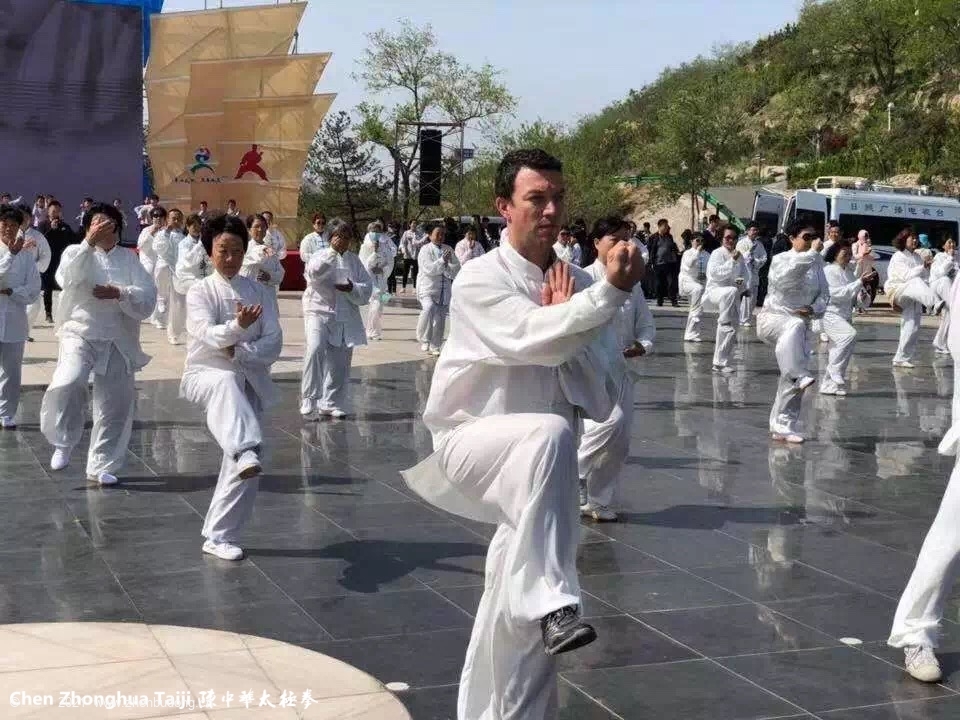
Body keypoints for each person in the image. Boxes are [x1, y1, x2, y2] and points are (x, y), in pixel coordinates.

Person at [400, 149, 644, 720]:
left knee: (514, 615)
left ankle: (500, 707)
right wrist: (595, 304)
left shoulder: (576, 282)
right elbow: (530, 337)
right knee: (549, 433)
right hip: (473, 448)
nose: (551, 210)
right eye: (536, 198)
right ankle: (555, 601)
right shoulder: (481, 278)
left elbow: (603, 394)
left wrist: (572, 320)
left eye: (558, 197)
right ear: (504, 207)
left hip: (543, 478)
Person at [181, 213, 282, 561]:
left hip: (249, 378)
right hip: (206, 375)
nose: (230, 258)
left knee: (246, 463)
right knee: (226, 383)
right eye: (223, 250)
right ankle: (243, 449)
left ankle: (219, 535)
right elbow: (206, 335)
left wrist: (239, 351)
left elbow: (273, 341)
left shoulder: (259, 292)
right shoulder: (200, 291)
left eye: (237, 251)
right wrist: (237, 327)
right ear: (210, 252)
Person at [40, 203, 157, 485]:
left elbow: (147, 296)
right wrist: (88, 244)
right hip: (79, 331)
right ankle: (64, 440)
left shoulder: (129, 258)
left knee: (114, 405)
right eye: (96, 223)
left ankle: (101, 464)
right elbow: (65, 279)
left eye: (107, 223)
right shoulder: (75, 251)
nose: (102, 227)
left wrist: (120, 292)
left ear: (117, 227)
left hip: (117, 337)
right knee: (68, 380)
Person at [578, 216, 655, 522]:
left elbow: (646, 324)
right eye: (614, 239)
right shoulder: (582, 279)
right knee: (610, 423)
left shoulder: (632, 284)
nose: (623, 245)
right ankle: (573, 472)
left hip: (624, 369)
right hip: (591, 369)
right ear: (597, 243)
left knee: (620, 443)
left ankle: (598, 500)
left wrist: (642, 345)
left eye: (627, 239)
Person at [756, 221, 829, 442]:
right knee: (797, 366)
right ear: (792, 238)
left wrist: (813, 308)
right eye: (806, 237)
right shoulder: (781, 259)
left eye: (814, 237)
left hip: (801, 326)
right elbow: (784, 281)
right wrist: (811, 255)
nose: (812, 242)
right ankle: (799, 375)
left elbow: (825, 295)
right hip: (773, 319)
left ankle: (783, 425)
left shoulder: (817, 264)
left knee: (791, 376)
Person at [300, 223, 372, 420]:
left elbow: (367, 288)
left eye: (347, 237)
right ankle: (309, 397)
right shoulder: (320, 255)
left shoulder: (354, 260)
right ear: (331, 237)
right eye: (339, 236)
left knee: (340, 361)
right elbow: (313, 274)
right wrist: (332, 254)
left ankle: (330, 403)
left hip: (343, 314)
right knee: (315, 348)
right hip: (318, 310)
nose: (343, 241)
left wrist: (351, 288)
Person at [0, 206, 41, 427]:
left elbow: (33, 289)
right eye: (4, 224)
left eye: (13, 225)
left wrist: (12, 292)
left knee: (11, 371)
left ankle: (6, 412)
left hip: (15, 321)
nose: (8, 229)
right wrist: (10, 256)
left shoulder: (26, 257)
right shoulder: (13, 253)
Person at [820, 242, 874, 396]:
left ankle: (829, 385)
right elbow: (836, 295)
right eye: (845, 254)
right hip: (830, 314)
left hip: (845, 316)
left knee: (839, 348)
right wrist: (858, 283)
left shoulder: (850, 273)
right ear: (835, 254)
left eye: (850, 254)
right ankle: (834, 370)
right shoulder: (828, 271)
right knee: (849, 335)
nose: (848, 257)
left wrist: (862, 295)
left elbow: (857, 298)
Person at [885, 228, 939, 368]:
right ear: (904, 239)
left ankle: (901, 358)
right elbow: (906, 276)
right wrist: (922, 268)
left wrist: (925, 270)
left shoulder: (917, 257)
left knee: (912, 326)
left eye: (916, 238)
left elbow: (925, 278)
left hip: (914, 294)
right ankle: (934, 304)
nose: (915, 240)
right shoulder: (898, 256)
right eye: (912, 238)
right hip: (898, 290)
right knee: (914, 281)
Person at [703, 227, 748, 373]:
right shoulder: (717, 253)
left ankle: (720, 362)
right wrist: (732, 261)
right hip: (715, 292)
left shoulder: (739, 256)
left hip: (732, 296)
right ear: (721, 238)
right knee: (730, 293)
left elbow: (742, 276)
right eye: (728, 237)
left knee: (732, 330)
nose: (731, 240)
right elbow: (716, 274)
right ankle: (724, 320)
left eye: (734, 238)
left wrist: (740, 286)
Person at [416, 223, 460, 355]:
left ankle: (435, 346)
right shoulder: (425, 250)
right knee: (428, 308)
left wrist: (449, 263)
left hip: (444, 289)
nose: (441, 237)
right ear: (429, 235)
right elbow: (428, 269)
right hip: (428, 287)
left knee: (440, 318)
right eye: (438, 234)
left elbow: (456, 268)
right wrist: (441, 261)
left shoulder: (448, 249)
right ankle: (424, 339)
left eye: (443, 234)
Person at [169, 213, 210, 345]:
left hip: (199, 278)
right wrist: (200, 245)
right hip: (184, 277)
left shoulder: (203, 242)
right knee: (179, 308)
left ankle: (196, 333)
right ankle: (174, 333)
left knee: (197, 306)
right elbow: (188, 261)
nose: (197, 228)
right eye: (194, 226)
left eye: (199, 226)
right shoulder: (184, 243)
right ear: (187, 226)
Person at [16, 203, 51, 338]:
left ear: (30, 218)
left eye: (25, 216)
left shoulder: (38, 236)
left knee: (34, 306)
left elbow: (46, 255)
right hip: (12, 276)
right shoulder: (9, 234)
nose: (23, 219)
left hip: (32, 277)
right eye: (19, 216)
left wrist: (34, 268)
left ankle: (23, 331)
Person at [37, 200, 75, 324]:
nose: (56, 213)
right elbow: (40, 241)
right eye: (53, 211)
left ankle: (64, 314)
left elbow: (74, 240)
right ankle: (48, 313)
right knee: (47, 288)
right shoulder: (43, 225)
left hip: (61, 261)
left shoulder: (65, 226)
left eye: (58, 211)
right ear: (48, 212)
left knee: (64, 287)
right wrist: (51, 229)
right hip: (47, 261)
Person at [358, 221, 395, 341]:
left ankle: (371, 330)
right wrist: (373, 254)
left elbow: (390, 261)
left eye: (377, 231)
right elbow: (362, 263)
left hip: (382, 279)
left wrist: (383, 269)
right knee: (376, 304)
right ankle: (373, 332)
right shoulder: (364, 247)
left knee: (379, 307)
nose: (375, 234)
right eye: (373, 231)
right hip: (370, 280)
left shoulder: (385, 246)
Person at [240, 213, 284, 311]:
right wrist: (261, 250)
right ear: (249, 230)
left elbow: (280, 273)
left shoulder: (270, 250)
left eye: (263, 227)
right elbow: (246, 264)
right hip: (250, 297)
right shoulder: (243, 249)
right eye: (256, 227)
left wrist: (270, 276)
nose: (260, 230)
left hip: (269, 299)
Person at [153, 208, 185, 340]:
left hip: (178, 270)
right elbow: (158, 248)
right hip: (164, 266)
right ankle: (160, 301)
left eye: (178, 219)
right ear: (168, 219)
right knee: (162, 270)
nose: (176, 221)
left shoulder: (183, 237)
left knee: (177, 302)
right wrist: (166, 233)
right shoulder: (162, 233)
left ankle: (174, 334)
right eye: (173, 218)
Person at [138, 206, 166, 329]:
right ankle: (143, 314)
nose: (158, 218)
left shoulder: (167, 231)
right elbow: (141, 246)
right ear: (151, 218)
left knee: (161, 292)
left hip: (161, 266)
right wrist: (151, 233)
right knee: (147, 291)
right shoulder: (146, 230)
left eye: (160, 216)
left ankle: (158, 318)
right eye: (155, 216)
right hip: (148, 264)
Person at [678, 233, 710, 342]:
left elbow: (710, 269)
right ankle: (691, 332)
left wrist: (705, 276)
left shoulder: (707, 254)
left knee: (697, 308)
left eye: (702, 240)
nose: (700, 243)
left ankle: (691, 333)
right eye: (697, 240)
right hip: (687, 282)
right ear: (692, 241)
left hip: (700, 282)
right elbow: (689, 264)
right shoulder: (687, 253)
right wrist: (697, 252)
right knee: (697, 291)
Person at [736, 221, 768, 327]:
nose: (755, 232)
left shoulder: (759, 244)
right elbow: (738, 257)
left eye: (756, 230)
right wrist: (748, 254)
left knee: (753, 298)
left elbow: (764, 258)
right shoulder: (741, 243)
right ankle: (742, 319)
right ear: (747, 231)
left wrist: (755, 261)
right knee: (745, 296)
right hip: (743, 274)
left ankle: (748, 318)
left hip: (754, 273)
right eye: (753, 230)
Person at [931, 238, 958, 355]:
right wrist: (950, 258)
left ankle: (939, 342)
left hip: (950, 288)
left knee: (949, 313)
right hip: (939, 284)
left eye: (953, 242)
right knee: (952, 309)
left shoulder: (957, 256)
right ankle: (941, 342)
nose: (952, 244)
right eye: (949, 242)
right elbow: (941, 272)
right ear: (943, 246)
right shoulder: (939, 256)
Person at [648, 218, 680, 307]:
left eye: (667, 225)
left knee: (671, 282)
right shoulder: (653, 237)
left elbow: (672, 247)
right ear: (659, 226)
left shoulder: (669, 236)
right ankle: (660, 300)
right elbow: (650, 250)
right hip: (658, 263)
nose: (667, 227)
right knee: (659, 283)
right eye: (665, 226)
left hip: (670, 263)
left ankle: (673, 300)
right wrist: (651, 262)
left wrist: (675, 254)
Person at [851, 230, 878, 306]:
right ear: (859, 236)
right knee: (856, 285)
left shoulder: (869, 246)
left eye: (866, 236)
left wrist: (868, 252)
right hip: (857, 267)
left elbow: (873, 257)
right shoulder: (855, 245)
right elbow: (854, 256)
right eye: (864, 236)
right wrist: (863, 254)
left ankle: (864, 304)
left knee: (866, 286)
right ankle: (854, 303)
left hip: (866, 268)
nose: (865, 238)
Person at [398, 220, 421, 292]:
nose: (414, 225)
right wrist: (403, 250)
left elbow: (421, 243)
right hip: (407, 255)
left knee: (415, 272)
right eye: (413, 223)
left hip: (416, 255)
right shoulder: (406, 233)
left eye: (415, 223)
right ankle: (403, 287)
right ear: (410, 225)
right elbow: (402, 243)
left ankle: (415, 287)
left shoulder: (419, 233)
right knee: (405, 272)